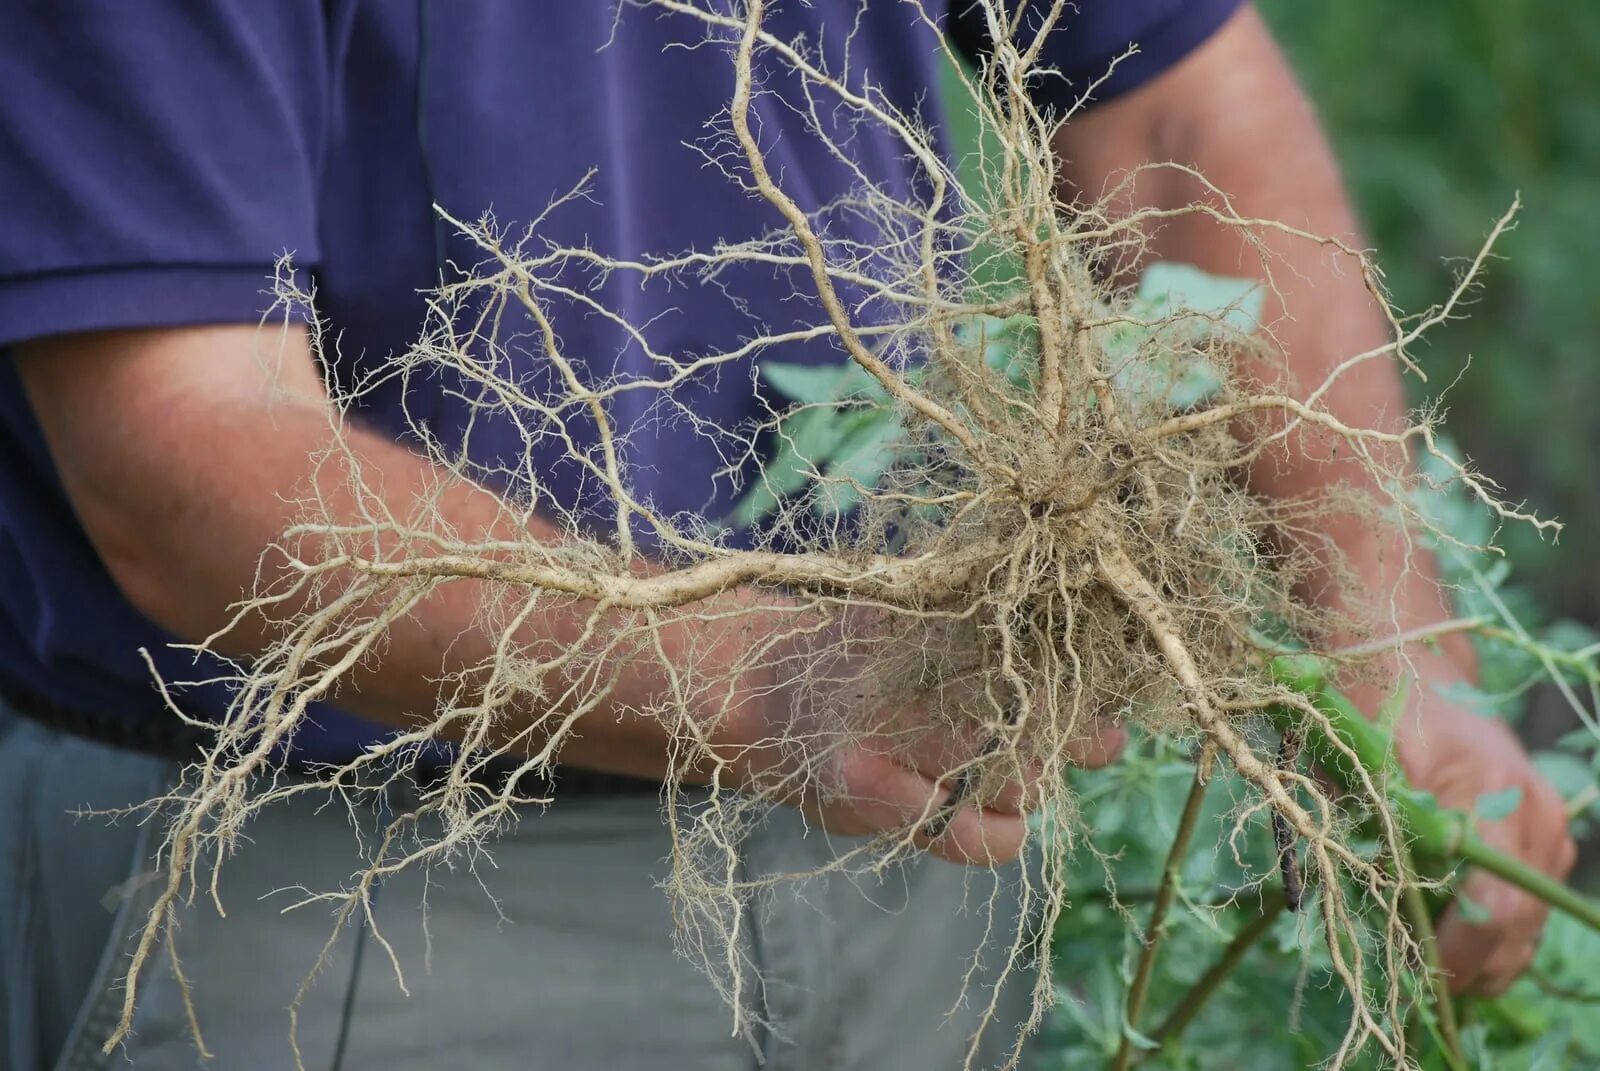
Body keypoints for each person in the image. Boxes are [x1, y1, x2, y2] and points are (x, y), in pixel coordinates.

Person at [0, 3, 1575, 1069]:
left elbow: (1170, 101)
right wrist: (770, 682)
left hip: (912, 849)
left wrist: (1393, 657)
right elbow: (187, 447)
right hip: (365, 892)